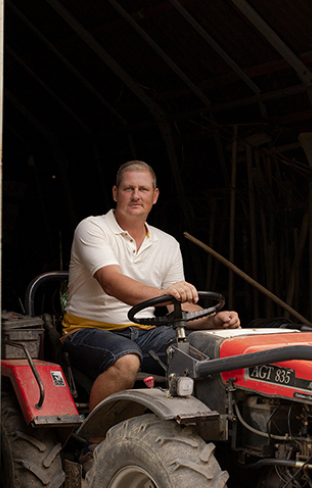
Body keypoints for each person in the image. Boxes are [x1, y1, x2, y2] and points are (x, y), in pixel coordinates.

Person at [62, 160, 240, 409]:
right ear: (115, 193)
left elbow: (179, 307)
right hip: (90, 331)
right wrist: (166, 294)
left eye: (143, 189)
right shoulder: (93, 228)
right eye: (128, 189)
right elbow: (111, 283)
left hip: (145, 332)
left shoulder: (167, 244)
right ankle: (95, 443)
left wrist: (213, 321)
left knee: (205, 352)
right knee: (126, 360)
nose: (136, 196)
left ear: (154, 196)